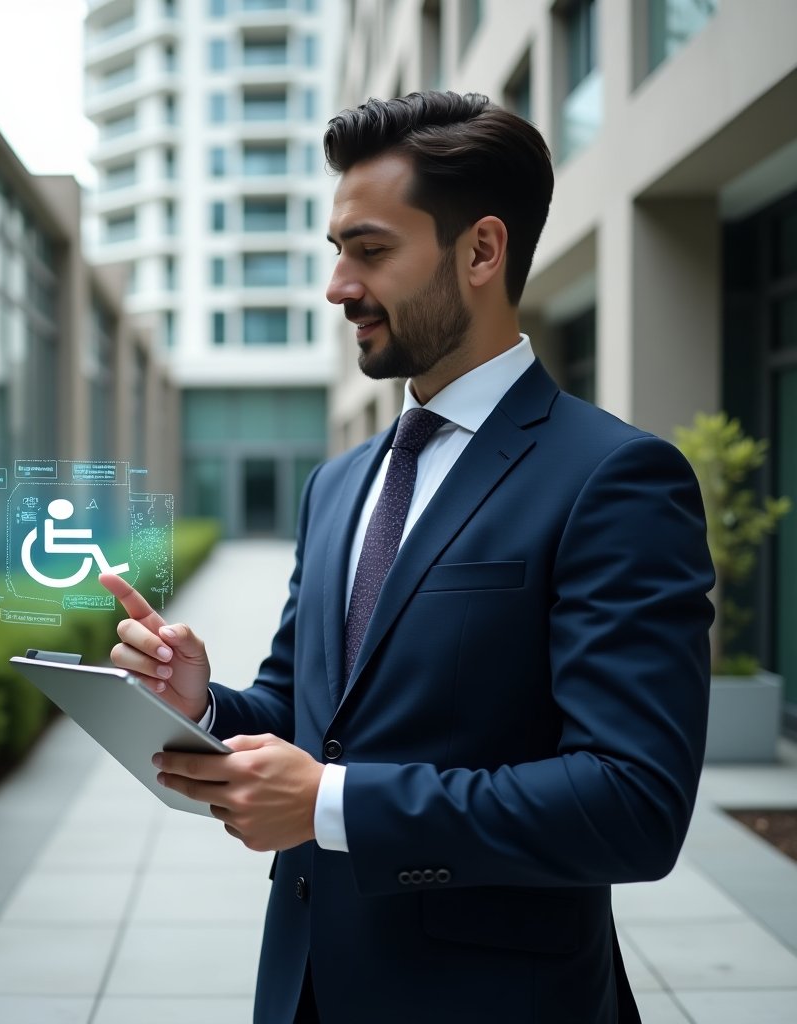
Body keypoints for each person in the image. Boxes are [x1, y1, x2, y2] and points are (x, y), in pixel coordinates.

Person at [100, 91, 714, 1024]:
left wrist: (335, 806)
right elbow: (312, 718)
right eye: (336, 250)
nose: (338, 285)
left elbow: (632, 804)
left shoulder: (615, 478)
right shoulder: (340, 484)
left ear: (481, 251)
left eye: (371, 250)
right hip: (305, 987)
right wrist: (203, 704)